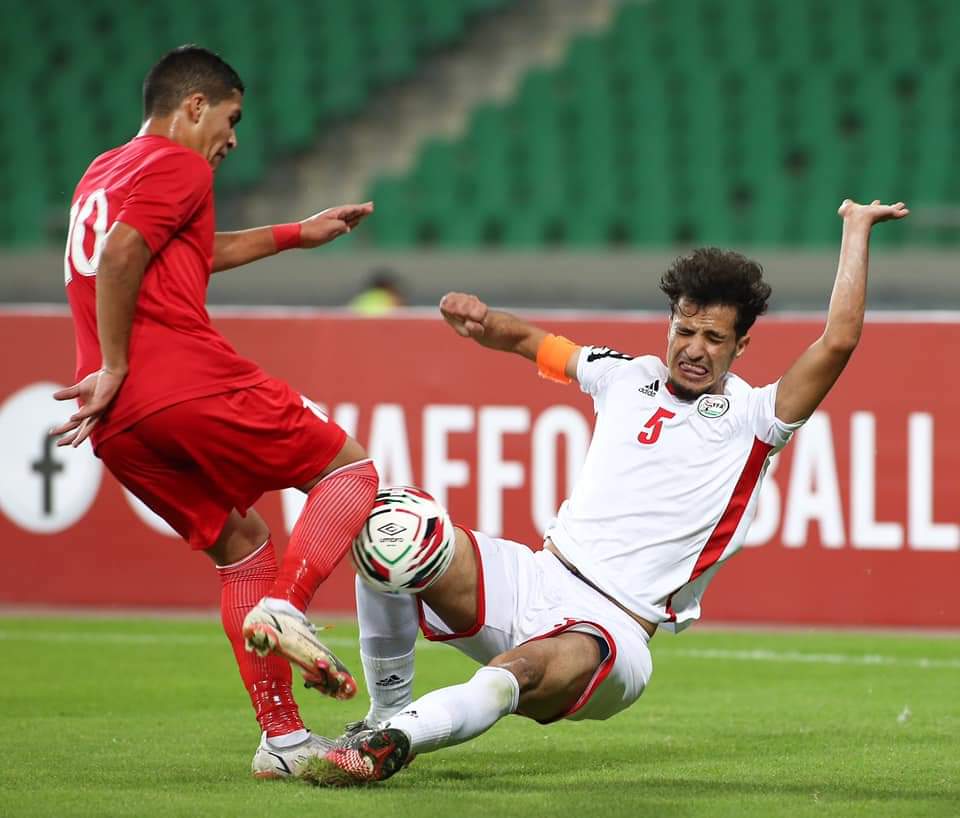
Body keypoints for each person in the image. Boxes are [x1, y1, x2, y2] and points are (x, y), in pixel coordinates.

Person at [313, 199, 909, 785]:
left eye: (714, 337)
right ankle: (385, 714)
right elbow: (543, 347)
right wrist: (487, 325)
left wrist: (856, 229)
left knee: (509, 674)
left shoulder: (756, 418)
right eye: (685, 329)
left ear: (741, 346)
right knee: (390, 529)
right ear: (669, 323)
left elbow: (838, 341)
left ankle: (394, 745)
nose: (695, 348)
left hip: (612, 629)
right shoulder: (628, 374)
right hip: (535, 576)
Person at [51, 45, 380, 779]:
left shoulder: (102, 171)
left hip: (116, 420)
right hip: (175, 379)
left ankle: (284, 743)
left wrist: (300, 231)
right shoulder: (181, 163)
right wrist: (117, 360)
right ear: (194, 105)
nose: (233, 139)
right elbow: (123, 255)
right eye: (230, 119)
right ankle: (289, 607)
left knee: (243, 545)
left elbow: (185, 251)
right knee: (352, 470)